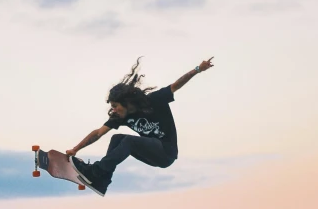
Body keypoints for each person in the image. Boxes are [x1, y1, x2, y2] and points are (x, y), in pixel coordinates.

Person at [66, 56, 215, 196]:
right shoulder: (121, 116)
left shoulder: (154, 100)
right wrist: (75, 149)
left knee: (129, 141)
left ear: (126, 102)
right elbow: (98, 133)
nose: (113, 110)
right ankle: (102, 181)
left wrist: (198, 69)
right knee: (117, 138)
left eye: (115, 106)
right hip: (151, 154)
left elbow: (176, 85)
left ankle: (96, 171)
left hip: (166, 153)